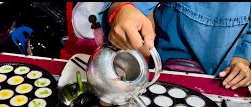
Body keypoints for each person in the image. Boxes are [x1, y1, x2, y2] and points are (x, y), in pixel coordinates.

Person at [98, 2, 251, 90]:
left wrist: (241, 60)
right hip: (164, 74)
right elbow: (127, 6)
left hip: (222, 82)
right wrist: (121, 9)